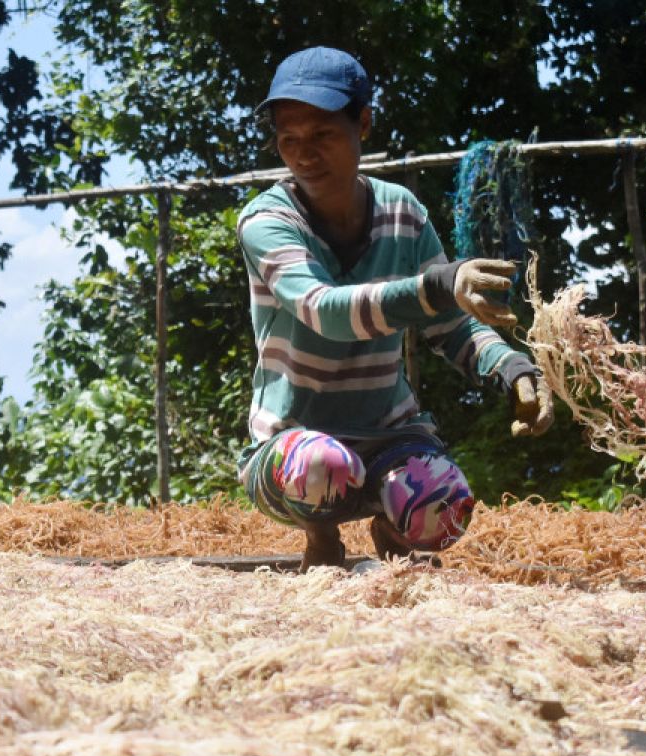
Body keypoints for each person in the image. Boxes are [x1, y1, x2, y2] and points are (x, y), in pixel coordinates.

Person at [236, 46, 553, 571]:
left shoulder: (403, 213)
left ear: (364, 123)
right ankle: (322, 534)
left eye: (323, 135)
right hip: (293, 448)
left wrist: (512, 369)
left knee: (444, 512)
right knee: (322, 466)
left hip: (389, 434)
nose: (303, 154)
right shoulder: (266, 221)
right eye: (288, 139)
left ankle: (391, 522)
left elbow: (450, 325)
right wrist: (437, 285)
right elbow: (326, 311)